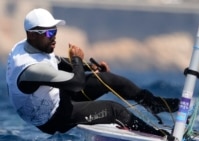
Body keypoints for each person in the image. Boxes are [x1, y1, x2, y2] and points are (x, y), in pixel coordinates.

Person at [6, 8, 180, 137]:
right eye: (49, 32)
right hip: (51, 118)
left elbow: (57, 62)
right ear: (33, 35)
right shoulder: (31, 69)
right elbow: (76, 84)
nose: (54, 36)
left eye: (55, 31)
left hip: (57, 97)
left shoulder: (30, 45)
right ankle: (159, 137)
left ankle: (155, 104)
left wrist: (90, 67)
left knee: (108, 79)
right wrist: (76, 60)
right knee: (115, 110)